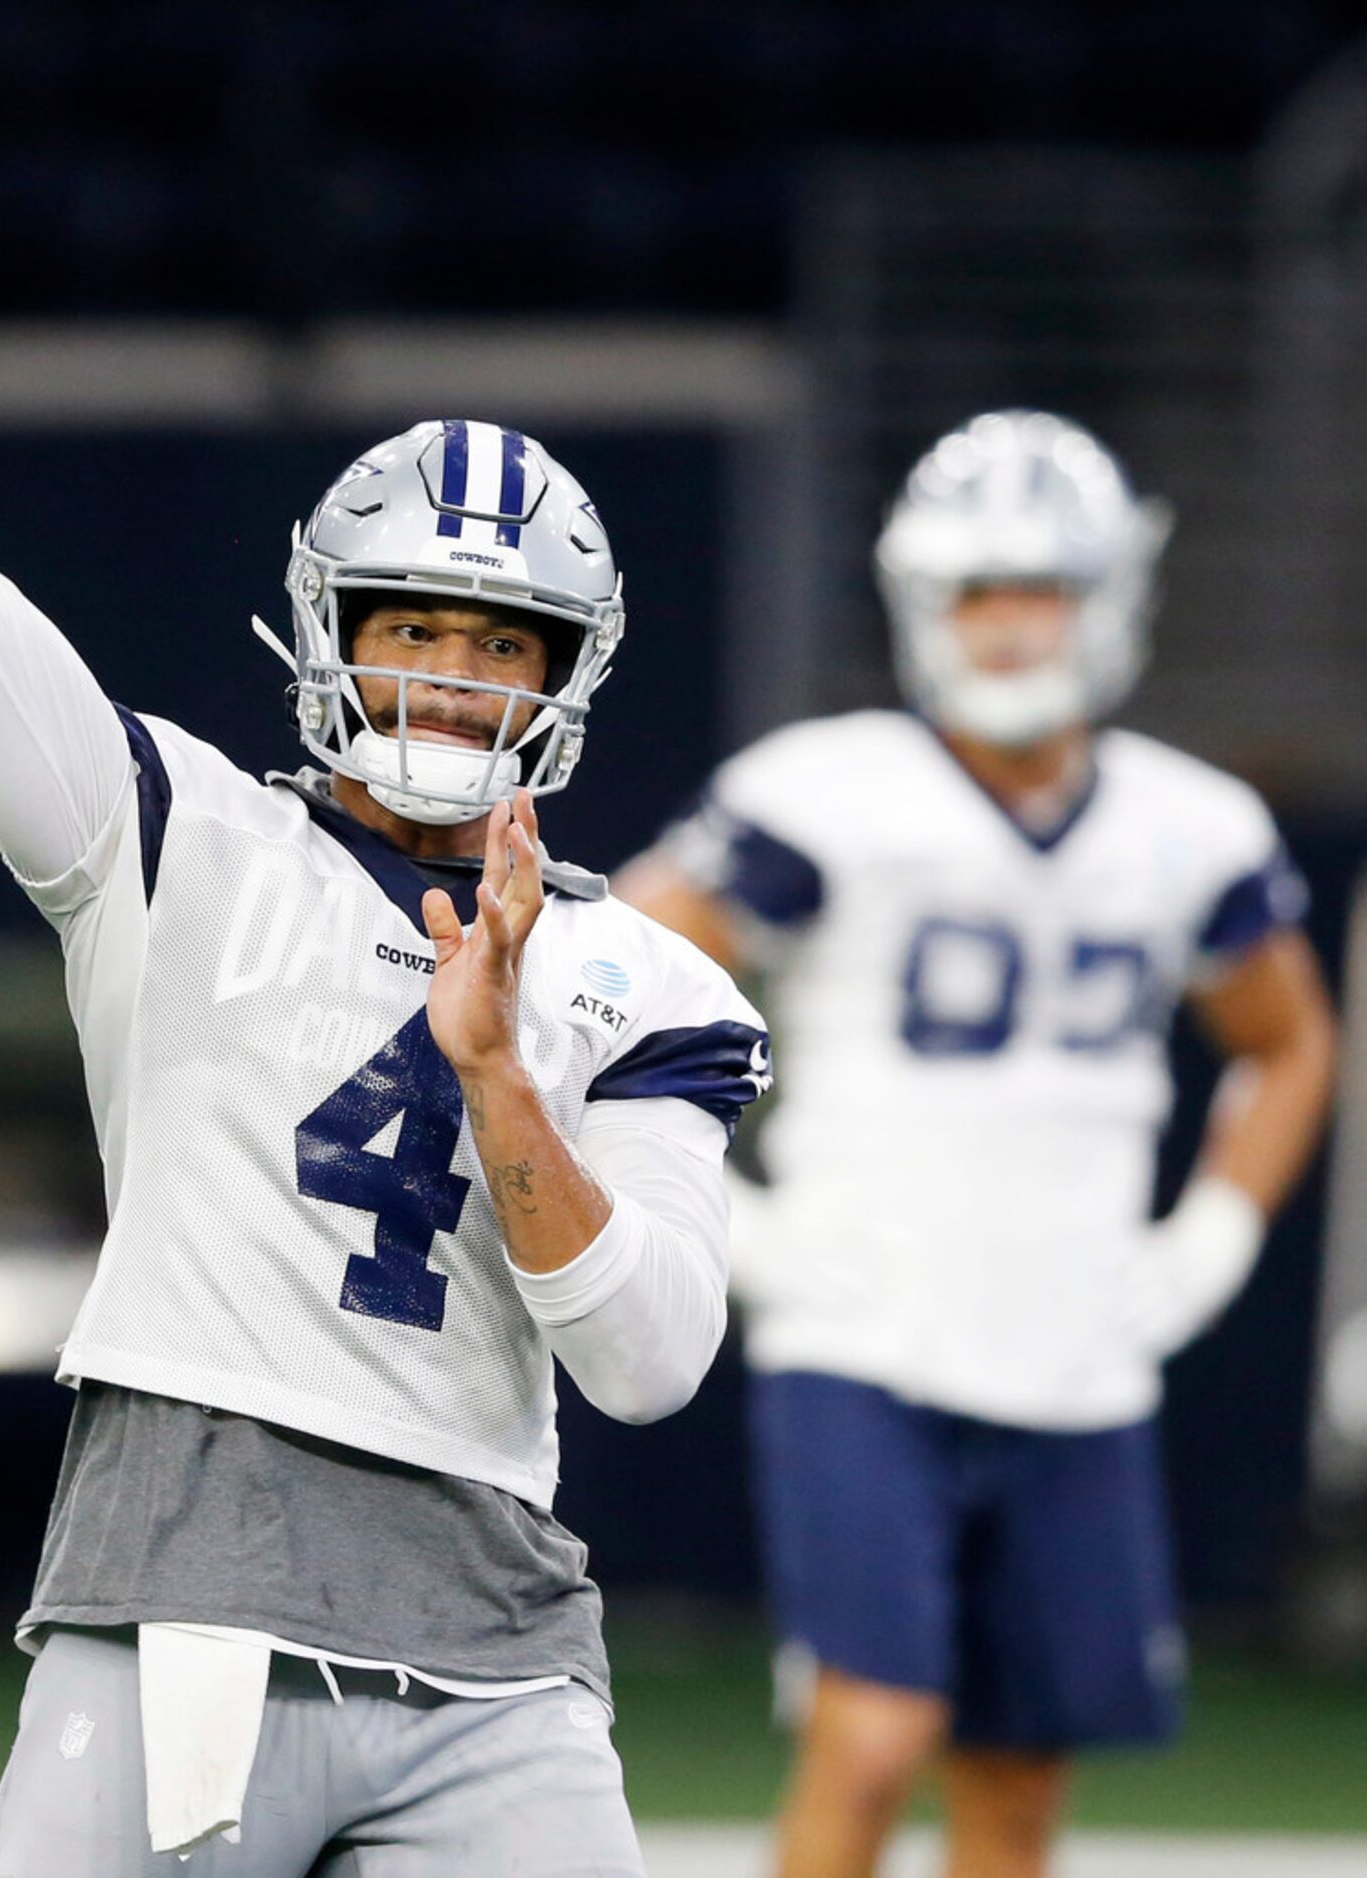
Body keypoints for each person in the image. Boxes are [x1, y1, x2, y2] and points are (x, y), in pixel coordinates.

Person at [0, 162, 770, 1876]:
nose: (442, 675)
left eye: (495, 641)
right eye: (408, 624)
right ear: (328, 630)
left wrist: (500, 1077)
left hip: (497, 1649)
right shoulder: (172, 839)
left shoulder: (644, 983)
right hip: (181, 1597)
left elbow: (648, 1362)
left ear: (559, 675)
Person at [614, 410, 1338, 1878]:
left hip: (1071, 1348)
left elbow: (1289, 1040)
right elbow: (605, 981)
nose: (1008, 629)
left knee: (1016, 1772)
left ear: (1107, 597)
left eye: (1039, 590)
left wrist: (1213, 1234)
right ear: (922, 603)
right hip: (864, 1330)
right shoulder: (822, 793)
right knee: (872, 1729)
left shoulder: (1186, 828)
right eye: (978, 593)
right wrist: (720, 1215)